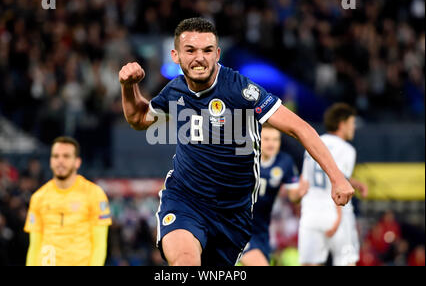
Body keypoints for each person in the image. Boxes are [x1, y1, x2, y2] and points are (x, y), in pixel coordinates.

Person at [119, 17, 354, 266]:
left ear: (217, 53)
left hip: (233, 214)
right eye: (190, 50)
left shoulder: (241, 91)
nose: (199, 57)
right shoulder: (175, 91)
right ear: (176, 55)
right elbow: (139, 118)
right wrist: (129, 87)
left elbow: (299, 128)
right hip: (185, 200)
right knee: (185, 262)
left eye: (207, 50)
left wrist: (337, 177)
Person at [298, 103, 368, 266]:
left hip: (311, 213)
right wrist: (338, 218)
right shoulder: (346, 149)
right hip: (335, 213)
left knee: (309, 263)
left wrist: (355, 183)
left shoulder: (312, 143)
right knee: (346, 262)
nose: (353, 128)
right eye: (352, 124)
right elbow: (340, 186)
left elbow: (307, 181)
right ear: (342, 124)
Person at [24, 136, 112, 266]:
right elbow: (34, 247)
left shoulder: (94, 194)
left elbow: (99, 245)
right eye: (56, 156)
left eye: (66, 156)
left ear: (77, 162)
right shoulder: (38, 197)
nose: (60, 161)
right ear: (50, 161)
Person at [240, 123, 309, 266]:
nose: (272, 144)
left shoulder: (285, 162)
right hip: (238, 224)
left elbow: (293, 197)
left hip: (262, 229)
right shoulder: (244, 157)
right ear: (257, 139)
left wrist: (301, 193)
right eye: (267, 139)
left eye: (275, 140)